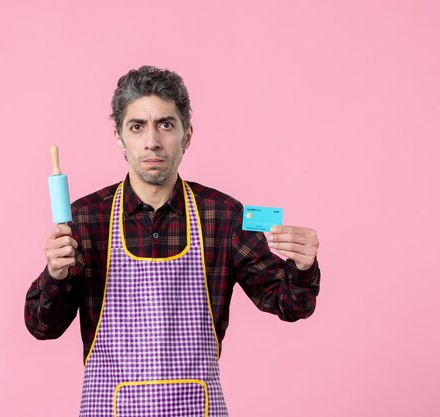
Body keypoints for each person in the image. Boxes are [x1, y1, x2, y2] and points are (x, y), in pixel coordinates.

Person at [24, 65, 321, 416]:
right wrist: (55, 275)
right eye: (137, 127)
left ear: (187, 135)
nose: (152, 140)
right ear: (119, 137)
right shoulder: (86, 219)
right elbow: (43, 327)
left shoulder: (224, 216)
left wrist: (303, 267)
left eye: (166, 124)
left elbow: (290, 305)